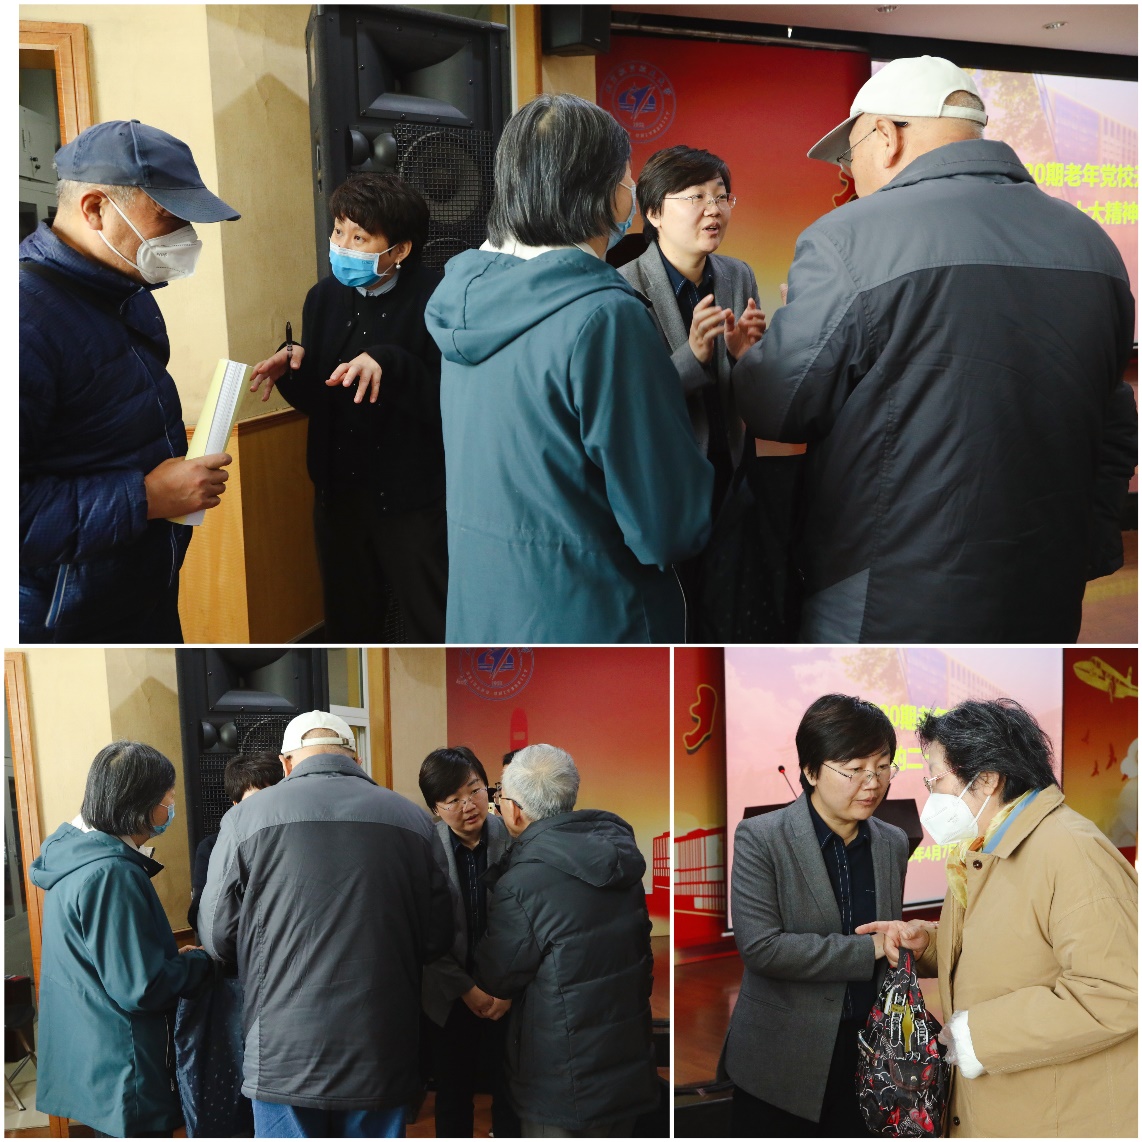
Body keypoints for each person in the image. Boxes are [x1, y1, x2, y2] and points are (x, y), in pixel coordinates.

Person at [731, 56, 1137, 643]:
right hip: (1046, 584)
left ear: (887, 136)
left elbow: (780, 406)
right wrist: (1088, 548)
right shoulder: (1092, 242)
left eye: (849, 156)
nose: (849, 175)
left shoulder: (849, 237)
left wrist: (751, 358)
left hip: (887, 593)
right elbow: (1115, 419)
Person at [425, 93, 714, 642]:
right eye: (625, 177)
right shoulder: (604, 316)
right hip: (595, 613)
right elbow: (667, 525)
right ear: (599, 192)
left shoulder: (461, 301)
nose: (630, 190)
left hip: (486, 609)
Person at [858, 699, 1137, 1137]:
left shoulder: (1071, 850)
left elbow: (1118, 991)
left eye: (936, 779)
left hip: (1055, 1114)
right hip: (1006, 1104)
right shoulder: (983, 846)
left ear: (987, 779)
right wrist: (928, 942)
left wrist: (980, 1035)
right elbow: (1009, 941)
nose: (931, 794)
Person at [20, 119, 240, 643]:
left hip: (139, 588)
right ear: (95, 208)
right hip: (64, 619)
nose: (185, 236)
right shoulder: (24, 321)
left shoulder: (128, 292)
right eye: (167, 216)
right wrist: (145, 498)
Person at [198, 711, 453, 1138]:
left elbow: (218, 938)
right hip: (381, 1047)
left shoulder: (244, 819)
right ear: (356, 758)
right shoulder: (413, 821)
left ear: (286, 763)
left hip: (282, 1051)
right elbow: (438, 936)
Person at [249, 173, 446, 641]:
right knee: (350, 624)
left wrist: (389, 362)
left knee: (432, 622)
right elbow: (322, 399)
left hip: (411, 499)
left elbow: (448, 401)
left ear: (399, 250)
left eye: (359, 238)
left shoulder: (439, 298)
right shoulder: (323, 297)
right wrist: (293, 368)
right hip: (338, 496)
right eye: (339, 231)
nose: (341, 246)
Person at [720, 695, 910, 1137]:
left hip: (870, 1052)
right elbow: (762, 948)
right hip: (782, 1056)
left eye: (883, 767)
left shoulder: (893, 842)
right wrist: (870, 948)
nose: (872, 783)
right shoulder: (761, 838)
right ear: (810, 771)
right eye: (854, 769)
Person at [29, 742, 212, 1137]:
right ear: (140, 804)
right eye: (168, 798)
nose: (171, 807)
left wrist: (167, 958)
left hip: (93, 1051)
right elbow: (141, 989)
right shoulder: (112, 873)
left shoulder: (73, 859)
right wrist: (198, 963)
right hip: (125, 1065)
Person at [477, 744, 658, 1136]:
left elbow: (497, 975)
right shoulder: (618, 856)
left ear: (515, 811)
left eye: (499, 795)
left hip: (563, 1079)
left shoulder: (523, 882)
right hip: (625, 1058)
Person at [619, 145, 765, 519]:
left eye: (721, 196)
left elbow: (755, 395)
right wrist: (694, 355)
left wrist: (748, 358)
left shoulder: (739, 275)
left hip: (734, 474)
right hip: (665, 484)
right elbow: (632, 403)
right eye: (696, 197)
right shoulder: (623, 288)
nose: (714, 209)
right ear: (654, 212)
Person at [418, 747, 518, 1138]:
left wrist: (504, 989)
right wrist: (467, 990)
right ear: (435, 808)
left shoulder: (514, 839)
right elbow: (423, 933)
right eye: (453, 799)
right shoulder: (424, 850)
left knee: (510, 1092)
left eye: (474, 790)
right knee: (453, 1096)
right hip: (448, 994)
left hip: (507, 994)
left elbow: (526, 924)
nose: (469, 805)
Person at [187, 751, 284, 933]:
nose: (266, 807)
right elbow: (202, 914)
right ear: (236, 805)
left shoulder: (296, 841)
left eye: (273, 797)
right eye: (256, 800)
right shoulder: (212, 847)